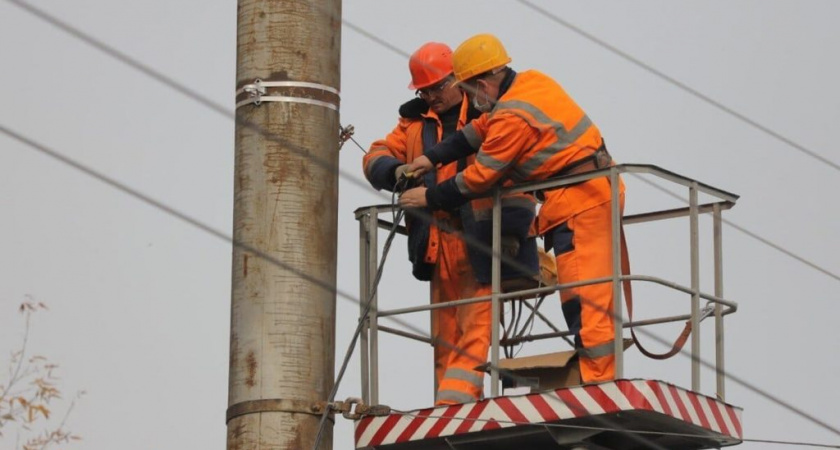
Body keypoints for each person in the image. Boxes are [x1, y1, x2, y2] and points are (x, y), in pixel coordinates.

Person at [400, 33, 625, 383]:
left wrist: (427, 198)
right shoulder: (530, 84)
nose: (471, 100)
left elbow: (479, 177)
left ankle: (598, 380)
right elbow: (473, 134)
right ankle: (595, 374)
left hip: (582, 200)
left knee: (585, 296)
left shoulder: (512, 116)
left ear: (484, 82)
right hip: (585, 196)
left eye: (470, 90)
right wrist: (429, 159)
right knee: (582, 293)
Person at [363, 42, 538, 405]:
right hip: (437, 242)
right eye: (423, 90)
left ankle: (452, 405)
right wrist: (395, 170)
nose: (430, 96)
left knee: (475, 326)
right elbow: (375, 155)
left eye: (437, 87)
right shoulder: (412, 124)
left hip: (484, 236)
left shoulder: (488, 112)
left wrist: (515, 233)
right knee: (444, 335)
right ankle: (450, 407)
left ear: (459, 79)